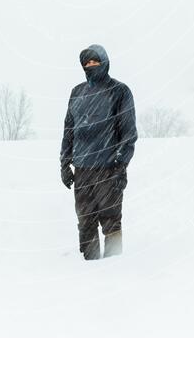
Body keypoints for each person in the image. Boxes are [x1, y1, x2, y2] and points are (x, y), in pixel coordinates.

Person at [59, 43, 137, 260]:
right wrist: (65, 164)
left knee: (111, 220)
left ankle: (114, 268)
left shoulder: (119, 91)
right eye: (86, 62)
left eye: (94, 61)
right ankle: (89, 269)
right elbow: (68, 131)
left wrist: (121, 166)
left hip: (108, 168)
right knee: (85, 222)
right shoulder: (77, 93)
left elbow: (128, 133)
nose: (90, 65)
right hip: (82, 169)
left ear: (104, 62)